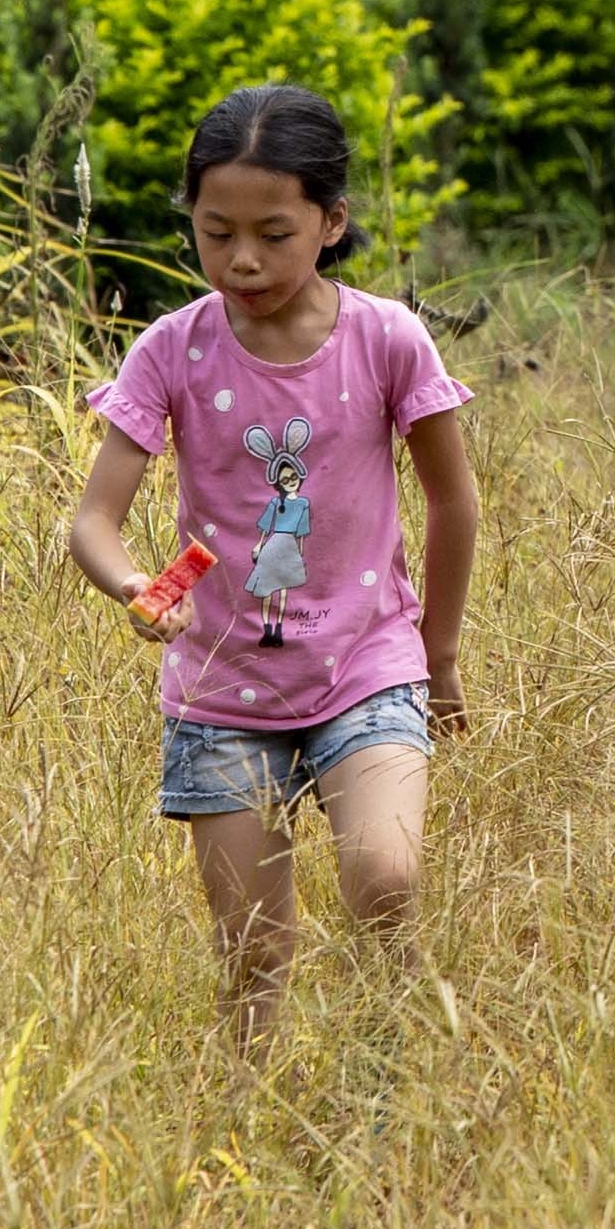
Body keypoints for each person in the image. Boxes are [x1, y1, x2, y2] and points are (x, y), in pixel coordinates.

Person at [68, 84, 480, 1042]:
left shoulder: (386, 337)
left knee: (386, 879)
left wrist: (441, 653)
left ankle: (393, 1080)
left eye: (274, 232)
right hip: (220, 688)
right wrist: (131, 580)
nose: (243, 259)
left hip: (368, 667)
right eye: (217, 233)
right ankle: (244, 1130)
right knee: (254, 948)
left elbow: (453, 500)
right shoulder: (172, 350)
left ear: (332, 222)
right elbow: (94, 520)